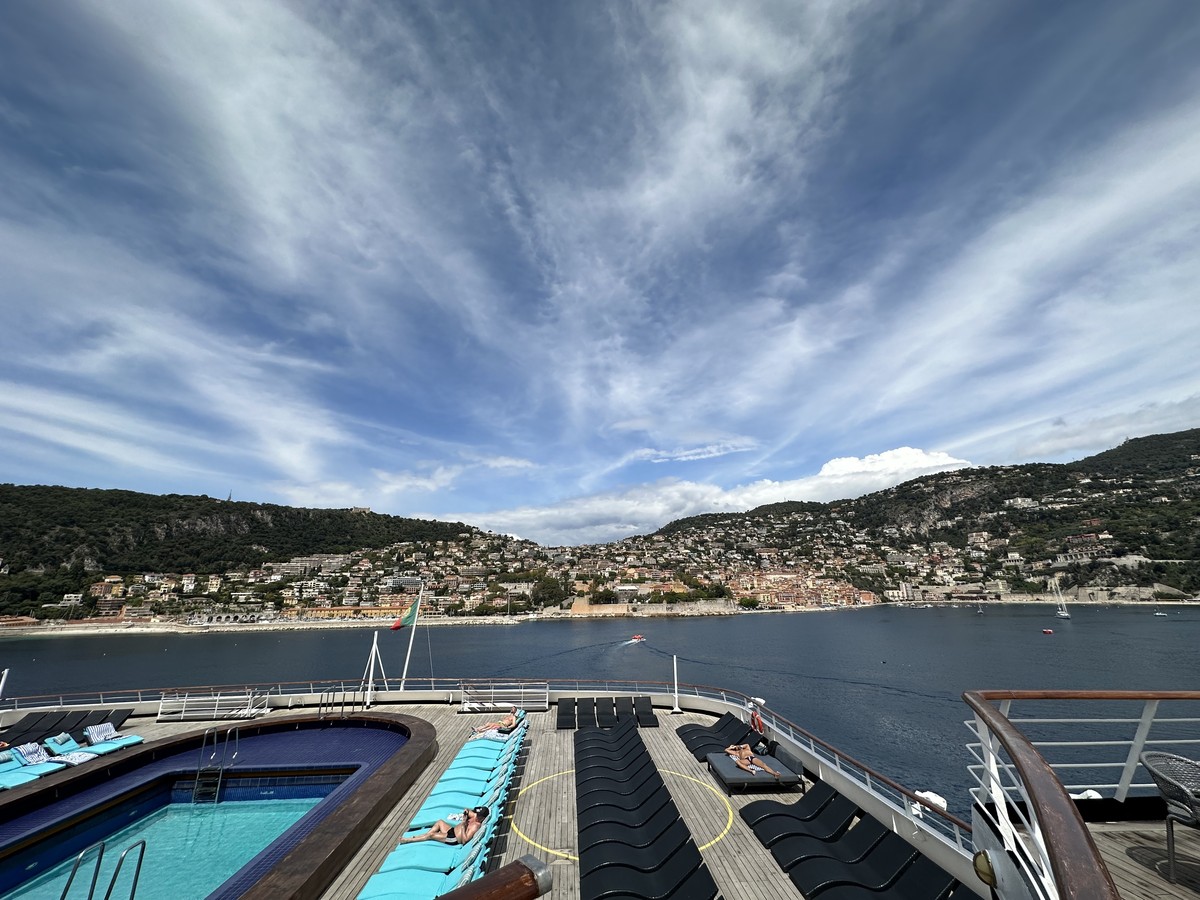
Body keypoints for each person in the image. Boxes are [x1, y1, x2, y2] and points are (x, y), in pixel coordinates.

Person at [399, 806, 489, 845]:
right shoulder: (475, 816)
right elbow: (467, 810)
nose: (476, 816)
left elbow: (464, 840)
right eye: (477, 814)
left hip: (454, 838)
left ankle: (408, 840)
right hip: (452, 830)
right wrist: (465, 813)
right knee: (440, 822)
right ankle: (424, 836)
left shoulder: (475, 826)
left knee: (432, 835)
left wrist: (463, 825)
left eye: (479, 816)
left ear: (483, 818)